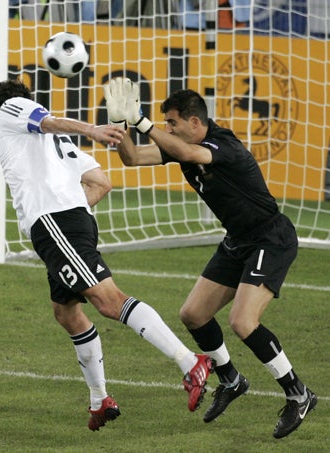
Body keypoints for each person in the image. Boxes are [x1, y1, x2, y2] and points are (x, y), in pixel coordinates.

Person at [0, 79, 212, 431]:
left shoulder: (11, 111)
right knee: (66, 311)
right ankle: (99, 399)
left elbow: (49, 120)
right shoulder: (60, 145)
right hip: (70, 223)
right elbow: (101, 184)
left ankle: (189, 362)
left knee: (109, 302)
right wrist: (71, 206)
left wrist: (91, 129)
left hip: (55, 224)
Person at [104, 76, 317, 438]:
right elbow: (133, 157)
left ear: (194, 123)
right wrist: (121, 124)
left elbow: (188, 154)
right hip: (238, 240)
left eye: (172, 123)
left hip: (270, 238)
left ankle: (299, 394)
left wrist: (143, 122)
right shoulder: (181, 143)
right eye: (165, 123)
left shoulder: (223, 145)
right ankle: (231, 380)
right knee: (193, 315)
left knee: (242, 321)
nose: (168, 129)